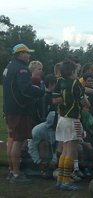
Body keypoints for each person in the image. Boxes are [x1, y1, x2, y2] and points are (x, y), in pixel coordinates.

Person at [3, 43, 44, 183]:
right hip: (20, 110)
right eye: (27, 53)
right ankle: (16, 173)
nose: (29, 55)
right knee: (18, 141)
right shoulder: (21, 69)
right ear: (20, 54)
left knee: (11, 139)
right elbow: (25, 89)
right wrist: (40, 92)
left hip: (10, 109)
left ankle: (11, 170)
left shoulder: (9, 66)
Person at [55, 58, 89, 190]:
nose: (77, 74)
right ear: (72, 71)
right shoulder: (75, 83)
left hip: (62, 118)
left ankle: (60, 179)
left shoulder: (60, 81)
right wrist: (87, 104)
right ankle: (66, 181)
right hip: (73, 119)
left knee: (64, 150)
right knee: (71, 150)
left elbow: (55, 99)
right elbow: (82, 100)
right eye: (76, 71)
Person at [27, 111, 57, 178]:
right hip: (43, 151)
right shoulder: (38, 130)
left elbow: (60, 146)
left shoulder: (62, 130)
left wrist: (54, 161)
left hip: (55, 152)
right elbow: (32, 146)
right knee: (43, 144)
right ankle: (45, 167)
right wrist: (38, 161)